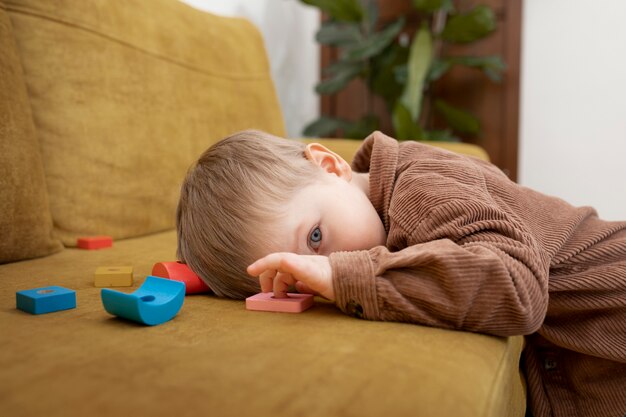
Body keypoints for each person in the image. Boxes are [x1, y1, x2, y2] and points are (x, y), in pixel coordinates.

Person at [176, 129, 626, 417]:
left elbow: (515, 287)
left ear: (329, 166)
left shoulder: (418, 189)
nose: (324, 265)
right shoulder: (378, 209)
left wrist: (345, 278)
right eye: (300, 279)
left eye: (315, 239)